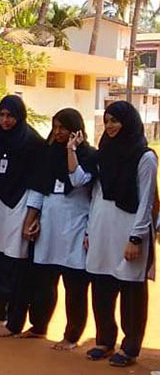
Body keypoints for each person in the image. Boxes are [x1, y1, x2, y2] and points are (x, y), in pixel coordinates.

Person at [85, 101, 156, 367]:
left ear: (128, 122)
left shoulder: (145, 157)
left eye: (115, 120)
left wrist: (136, 238)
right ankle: (104, 340)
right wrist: (90, 230)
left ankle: (130, 348)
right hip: (103, 227)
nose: (110, 126)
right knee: (101, 287)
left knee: (131, 291)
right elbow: (96, 193)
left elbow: (146, 201)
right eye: (107, 121)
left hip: (129, 230)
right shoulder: (104, 153)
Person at [23, 108, 96, 348]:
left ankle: (71, 335)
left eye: (63, 128)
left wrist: (71, 150)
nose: (58, 132)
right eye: (55, 127)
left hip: (76, 225)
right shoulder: (48, 155)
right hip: (49, 224)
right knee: (44, 281)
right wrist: (30, 220)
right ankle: (39, 326)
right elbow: (38, 189)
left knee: (74, 285)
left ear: (76, 130)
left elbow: (77, 180)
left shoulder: (89, 155)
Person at [0, 95, 45, 337]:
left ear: (20, 116)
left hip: (21, 204)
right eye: (2, 115)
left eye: (10, 116)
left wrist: (32, 217)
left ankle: (14, 321)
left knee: (16, 263)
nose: (5, 120)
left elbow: (38, 182)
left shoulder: (33, 143)